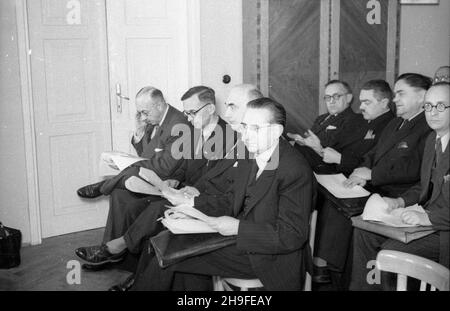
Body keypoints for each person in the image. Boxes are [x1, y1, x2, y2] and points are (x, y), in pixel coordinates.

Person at [74, 86, 261, 279]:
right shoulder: (195, 130)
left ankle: (122, 255)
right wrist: (176, 179)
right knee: (125, 197)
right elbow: (182, 165)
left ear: (210, 109)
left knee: (154, 210)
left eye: (191, 112)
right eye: (186, 112)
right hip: (185, 188)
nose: (187, 118)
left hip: (202, 196)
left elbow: (216, 178)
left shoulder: (229, 137)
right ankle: (120, 259)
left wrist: (189, 190)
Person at [130, 97, 314, 291]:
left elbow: (291, 235)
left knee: (170, 258)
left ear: (276, 131)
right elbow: (230, 200)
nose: (246, 136)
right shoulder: (250, 153)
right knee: (164, 244)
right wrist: (192, 207)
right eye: (244, 127)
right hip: (240, 240)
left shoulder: (294, 170)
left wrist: (238, 228)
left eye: (255, 129)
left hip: (269, 256)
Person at [350, 82, 449, 291]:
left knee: (389, 251)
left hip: (443, 229)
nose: (432, 112)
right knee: (364, 234)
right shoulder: (434, 139)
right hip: (426, 218)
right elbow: (425, 184)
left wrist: (428, 218)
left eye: (441, 106)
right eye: (429, 106)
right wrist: (400, 201)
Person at [313, 80, 396, 283]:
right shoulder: (364, 121)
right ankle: (324, 262)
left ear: (384, 102)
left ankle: (328, 265)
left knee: (335, 203)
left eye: (366, 102)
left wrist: (343, 161)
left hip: (376, 185)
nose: (360, 107)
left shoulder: (390, 124)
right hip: (353, 175)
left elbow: (374, 161)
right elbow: (357, 153)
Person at [76, 86, 188, 198]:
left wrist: (130, 163)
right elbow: (145, 155)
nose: (143, 118)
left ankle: (103, 187)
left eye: (145, 112)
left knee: (130, 176)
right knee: (118, 193)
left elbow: (165, 167)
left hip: (171, 179)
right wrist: (140, 133)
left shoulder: (179, 125)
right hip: (154, 172)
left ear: (159, 106)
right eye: (140, 113)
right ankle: (108, 186)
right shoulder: (153, 119)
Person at [343, 73, 433, 198]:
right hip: (377, 188)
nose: (395, 99)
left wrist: (372, 175)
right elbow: (374, 153)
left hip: (401, 197)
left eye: (401, 94)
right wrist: (360, 173)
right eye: (395, 94)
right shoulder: (395, 122)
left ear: (422, 96)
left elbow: (414, 169)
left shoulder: (429, 127)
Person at [287, 80, 359, 173]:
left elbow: (342, 156)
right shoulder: (321, 118)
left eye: (336, 96)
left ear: (349, 98)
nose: (331, 101)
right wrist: (302, 142)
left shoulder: (355, 121)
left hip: (328, 173)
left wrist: (318, 148)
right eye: (328, 97)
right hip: (307, 165)